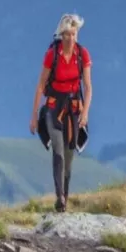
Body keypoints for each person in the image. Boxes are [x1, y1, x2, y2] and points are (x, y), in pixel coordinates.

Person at [29, 13, 92, 212]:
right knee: (58, 152)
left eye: (73, 34)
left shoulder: (82, 55)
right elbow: (40, 85)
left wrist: (85, 113)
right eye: (66, 34)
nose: (69, 38)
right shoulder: (52, 54)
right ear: (61, 35)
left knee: (69, 154)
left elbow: (88, 87)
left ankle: (65, 192)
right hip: (54, 108)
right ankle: (60, 198)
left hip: (74, 109)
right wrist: (34, 115)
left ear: (77, 34)